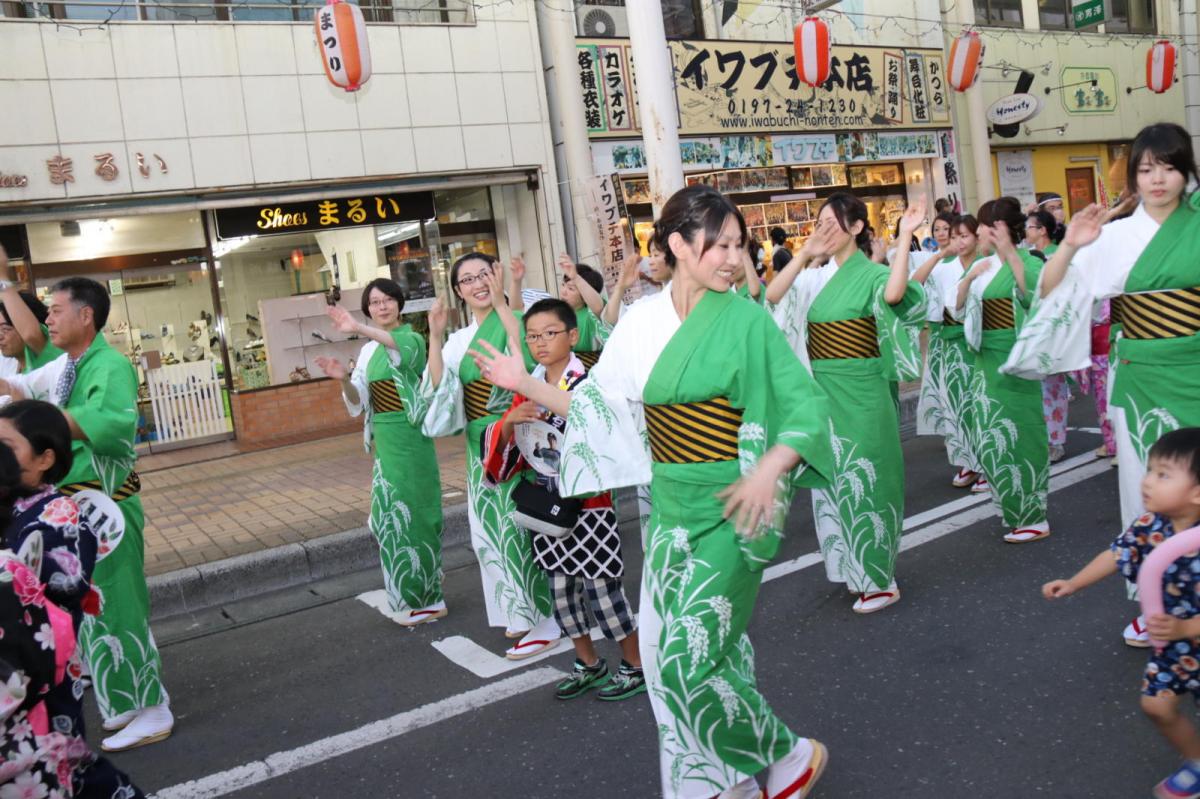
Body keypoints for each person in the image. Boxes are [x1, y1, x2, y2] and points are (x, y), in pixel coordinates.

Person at [469, 185, 834, 799]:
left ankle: (786, 755)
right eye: (718, 245)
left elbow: (803, 405)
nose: (731, 258)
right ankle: (720, 780)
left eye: (737, 245)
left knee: (693, 654)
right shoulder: (641, 323)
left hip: (734, 505)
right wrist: (520, 382)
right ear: (676, 245)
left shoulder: (746, 318)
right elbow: (597, 410)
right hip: (672, 509)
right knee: (667, 662)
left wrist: (770, 468)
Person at [1005, 122, 1200, 646]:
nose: (1157, 178)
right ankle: (1156, 602)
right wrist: (1070, 244)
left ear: (1186, 170)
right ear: (1133, 177)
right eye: (1145, 168)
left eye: (1168, 166)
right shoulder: (1113, 235)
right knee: (1149, 487)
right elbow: (1050, 289)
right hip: (1140, 380)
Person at [0, 276, 172, 751]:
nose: (47, 317)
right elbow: (20, 387)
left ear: (85, 315)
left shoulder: (110, 364)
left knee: (120, 606)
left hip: (106, 508)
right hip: (79, 513)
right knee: (96, 611)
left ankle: (153, 708)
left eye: (55, 309)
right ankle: (126, 705)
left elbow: (113, 425)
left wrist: (41, 422)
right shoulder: (66, 367)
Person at [767, 193, 927, 613]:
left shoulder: (873, 274)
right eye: (819, 222)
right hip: (823, 393)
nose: (825, 229)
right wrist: (803, 255)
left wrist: (906, 236)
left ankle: (880, 578)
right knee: (833, 483)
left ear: (856, 227)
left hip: (864, 390)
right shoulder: (814, 278)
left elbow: (894, 296)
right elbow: (773, 296)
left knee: (869, 480)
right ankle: (850, 567)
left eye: (833, 222)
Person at [481, 298, 645, 702]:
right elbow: (510, 452)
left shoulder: (590, 381)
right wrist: (508, 425)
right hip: (545, 505)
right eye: (532, 335)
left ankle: (636, 665)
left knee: (604, 591)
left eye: (549, 333)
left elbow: (604, 435)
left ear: (573, 335)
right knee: (562, 594)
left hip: (589, 504)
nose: (540, 343)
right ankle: (588, 663)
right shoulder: (528, 385)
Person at [1042, 428, 1200, 799]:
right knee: (1157, 707)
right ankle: (1196, 761)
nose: (1147, 481)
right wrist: (1074, 582)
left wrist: (1186, 626)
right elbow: (1116, 554)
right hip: (1174, 649)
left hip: (1186, 632)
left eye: (1163, 475)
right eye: (1149, 470)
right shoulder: (1149, 527)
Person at [0, 401, 145, 796]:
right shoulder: (10, 505)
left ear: (46, 458)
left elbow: (60, 595)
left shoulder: (61, 514)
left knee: (56, 768)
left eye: (6, 447)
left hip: (38, 675)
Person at [422, 255, 559, 659]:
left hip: (517, 436)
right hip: (480, 445)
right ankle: (520, 615)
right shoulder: (458, 340)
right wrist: (434, 336)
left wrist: (502, 302)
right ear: (459, 292)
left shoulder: (515, 316)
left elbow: (527, 356)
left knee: (518, 529)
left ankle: (545, 621)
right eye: (467, 279)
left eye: (483, 274)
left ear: (495, 276)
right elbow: (437, 386)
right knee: (489, 535)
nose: (477, 283)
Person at [315, 279, 445, 626]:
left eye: (388, 300)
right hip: (384, 440)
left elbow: (402, 349)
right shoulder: (370, 350)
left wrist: (357, 327)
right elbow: (359, 404)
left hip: (410, 436)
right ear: (368, 308)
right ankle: (410, 595)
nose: (382, 306)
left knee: (416, 513)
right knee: (391, 518)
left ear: (400, 304)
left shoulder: (412, 337)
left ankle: (427, 597)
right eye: (374, 302)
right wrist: (343, 379)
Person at [954, 198, 1050, 544]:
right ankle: (1011, 508)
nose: (978, 231)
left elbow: (1034, 298)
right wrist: (968, 281)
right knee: (992, 436)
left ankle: (1033, 514)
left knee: (1022, 433)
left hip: (1014, 361)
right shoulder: (982, 263)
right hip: (984, 361)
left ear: (1000, 229)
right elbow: (958, 305)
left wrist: (1011, 255)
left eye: (983, 225)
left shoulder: (1028, 260)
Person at [913, 212, 985, 489]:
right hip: (948, 343)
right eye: (952, 236)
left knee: (978, 405)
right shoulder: (944, 266)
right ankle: (968, 460)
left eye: (963, 235)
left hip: (976, 343)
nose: (957, 241)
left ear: (978, 237)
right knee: (955, 406)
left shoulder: (987, 264)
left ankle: (988, 465)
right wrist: (937, 256)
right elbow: (915, 283)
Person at [0, 243, 62, 376]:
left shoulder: (48, 360)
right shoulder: (9, 365)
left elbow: (31, 334)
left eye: (6, 329)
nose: (0, 336)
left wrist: (2, 277)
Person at [556, 254, 612, 369]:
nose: (563, 292)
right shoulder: (557, 314)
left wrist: (576, 278)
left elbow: (598, 307)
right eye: (563, 285)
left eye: (571, 288)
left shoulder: (591, 314)